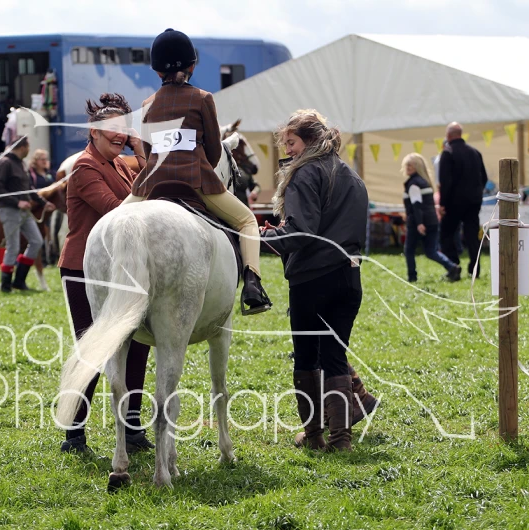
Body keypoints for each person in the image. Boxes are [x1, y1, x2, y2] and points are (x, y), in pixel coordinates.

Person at [123, 28, 272, 316]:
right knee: (247, 221)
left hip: (152, 184)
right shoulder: (203, 98)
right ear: (192, 66)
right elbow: (215, 151)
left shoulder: (147, 105)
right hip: (196, 182)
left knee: (111, 224)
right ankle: (253, 286)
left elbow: (149, 152)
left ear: (157, 71)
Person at [261, 109, 374, 452]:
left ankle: (314, 437)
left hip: (313, 280)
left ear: (309, 141)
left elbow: (302, 232)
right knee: (335, 358)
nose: (288, 150)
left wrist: (260, 239)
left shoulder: (305, 173)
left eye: (291, 142)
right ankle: (341, 441)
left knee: (307, 359)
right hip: (349, 277)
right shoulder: (352, 175)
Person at [57, 93, 153, 454]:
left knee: (138, 343)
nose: (119, 134)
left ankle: (132, 428)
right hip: (83, 270)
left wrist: (139, 148)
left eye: (124, 128)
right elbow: (117, 212)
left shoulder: (121, 164)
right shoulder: (84, 168)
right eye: (112, 128)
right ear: (93, 131)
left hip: (121, 267)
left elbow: (151, 179)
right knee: (92, 350)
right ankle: (74, 434)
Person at [0, 136, 56, 292]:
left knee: (36, 241)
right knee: (13, 247)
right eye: (28, 147)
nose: (29, 150)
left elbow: (29, 189)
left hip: (24, 211)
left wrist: (43, 203)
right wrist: (17, 202)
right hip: (9, 210)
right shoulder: (5, 163)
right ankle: (5, 285)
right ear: (22, 148)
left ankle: (19, 281)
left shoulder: (21, 164)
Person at [401, 153, 461, 283]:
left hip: (418, 221)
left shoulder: (413, 184)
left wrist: (419, 223)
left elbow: (417, 205)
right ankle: (452, 267)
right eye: (407, 165)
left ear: (417, 166)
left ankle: (412, 277)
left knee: (409, 250)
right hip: (432, 220)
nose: (407, 167)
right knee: (431, 251)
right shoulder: (425, 182)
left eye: (410, 165)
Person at [438, 122, 486, 278]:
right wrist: (477, 193)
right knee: (472, 236)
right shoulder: (475, 152)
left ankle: (454, 266)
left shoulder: (448, 153)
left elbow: (445, 182)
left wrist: (442, 204)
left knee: (447, 234)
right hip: (473, 202)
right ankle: (475, 269)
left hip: (454, 202)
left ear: (448, 136)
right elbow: (484, 178)